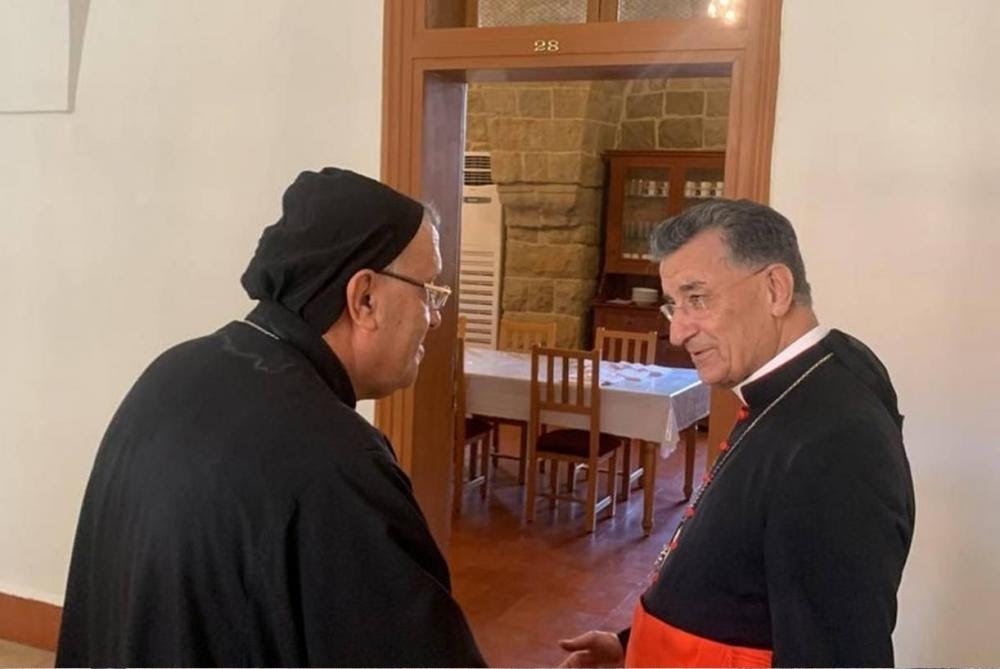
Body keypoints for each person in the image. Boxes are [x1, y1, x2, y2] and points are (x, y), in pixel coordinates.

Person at [56, 168, 486, 667]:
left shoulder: (172, 370)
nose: (435, 315)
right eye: (428, 290)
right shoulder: (339, 461)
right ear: (364, 299)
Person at [559, 199, 914, 668]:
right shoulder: (804, 381)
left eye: (697, 298)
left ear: (775, 289)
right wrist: (635, 645)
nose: (678, 332)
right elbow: (740, 578)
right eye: (673, 305)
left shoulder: (834, 446)